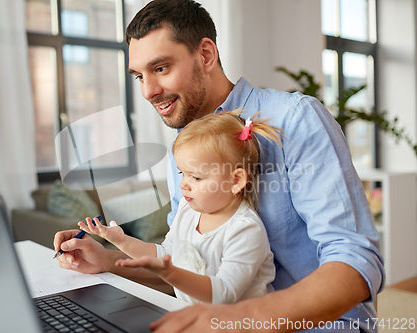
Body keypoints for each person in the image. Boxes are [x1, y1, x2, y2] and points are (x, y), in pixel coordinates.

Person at [54, 0, 384, 331]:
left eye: (161, 68)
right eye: (139, 75)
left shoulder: (295, 119)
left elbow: (357, 262)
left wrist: (238, 319)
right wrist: (109, 260)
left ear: (207, 55)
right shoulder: (183, 150)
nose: (148, 91)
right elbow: (183, 259)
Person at [78, 111, 282, 304]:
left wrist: (170, 273)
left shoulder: (245, 230)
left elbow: (223, 293)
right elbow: (165, 253)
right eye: (181, 173)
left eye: (196, 177)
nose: (184, 184)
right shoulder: (188, 209)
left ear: (236, 180)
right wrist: (121, 240)